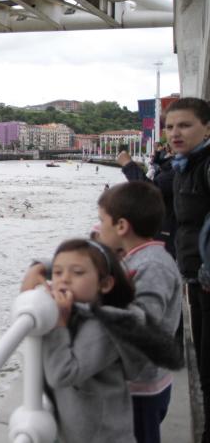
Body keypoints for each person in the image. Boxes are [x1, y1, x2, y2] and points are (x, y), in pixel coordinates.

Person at [23, 239, 178, 443]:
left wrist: (58, 326)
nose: (64, 280)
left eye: (77, 273)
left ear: (104, 284)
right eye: (58, 273)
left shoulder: (103, 327)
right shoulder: (78, 315)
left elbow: (62, 374)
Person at [96, 182, 182, 443]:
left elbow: (142, 328)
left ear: (121, 226)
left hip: (142, 389)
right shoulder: (138, 256)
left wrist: (89, 312)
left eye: (101, 222)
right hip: (139, 384)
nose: (98, 229)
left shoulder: (152, 267)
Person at [164, 97, 210, 443]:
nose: (175, 133)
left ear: (206, 127)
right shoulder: (185, 165)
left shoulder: (204, 165)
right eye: (169, 126)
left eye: (185, 125)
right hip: (195, 278)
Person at [116, 147, 176, 257]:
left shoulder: (182, 168)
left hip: (172, 238)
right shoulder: (177, 164)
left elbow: (151, 192)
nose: (174, 133)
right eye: (170, 128)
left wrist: (128, 165)